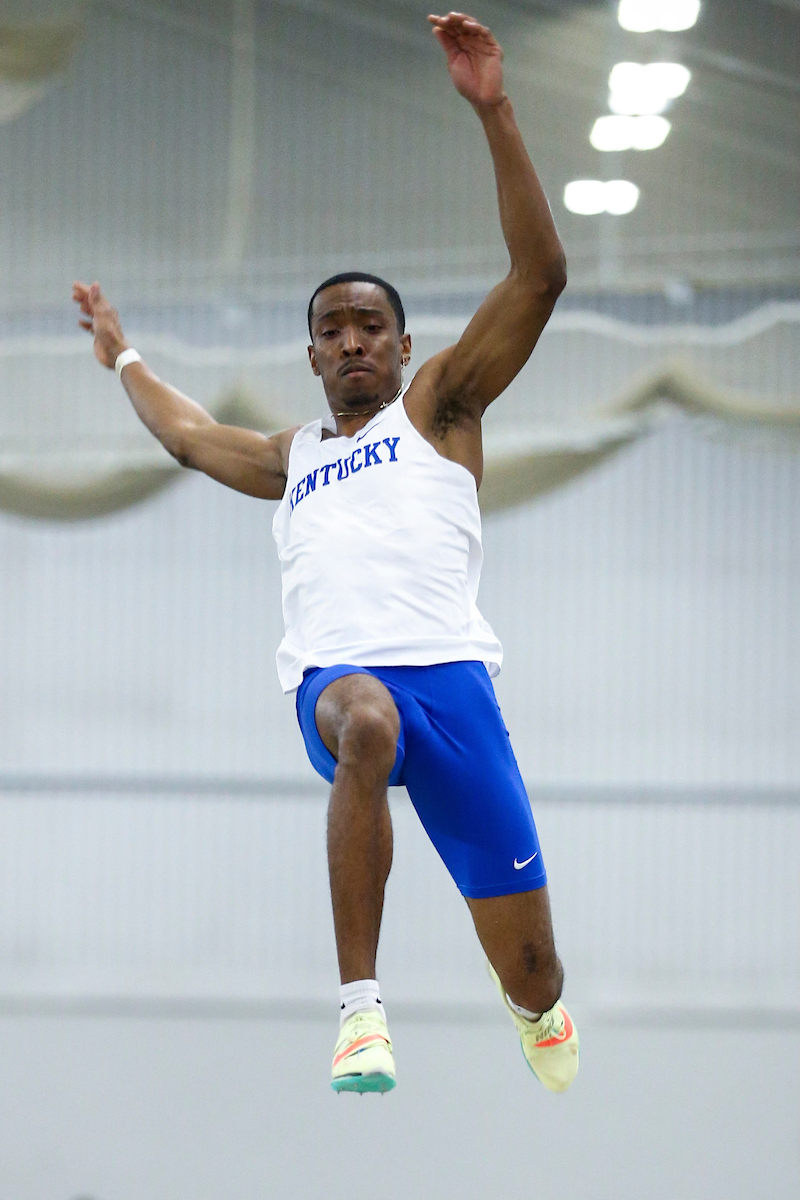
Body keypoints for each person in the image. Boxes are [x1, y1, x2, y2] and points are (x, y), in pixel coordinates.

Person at [73, 11, 578, 1095]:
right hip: (338, 682)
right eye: (332, 328)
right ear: (311, 355)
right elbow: (183, 433)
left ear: (401, 346)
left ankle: (532, 1008)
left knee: (535, 972)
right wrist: (123, 356)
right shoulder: (290, 455)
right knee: (364, 723)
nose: (352, 339)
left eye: (370, 326)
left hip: (455, 682)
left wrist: (493, 110)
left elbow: (538, 278)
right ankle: (360, 1016)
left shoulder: (440, 408)